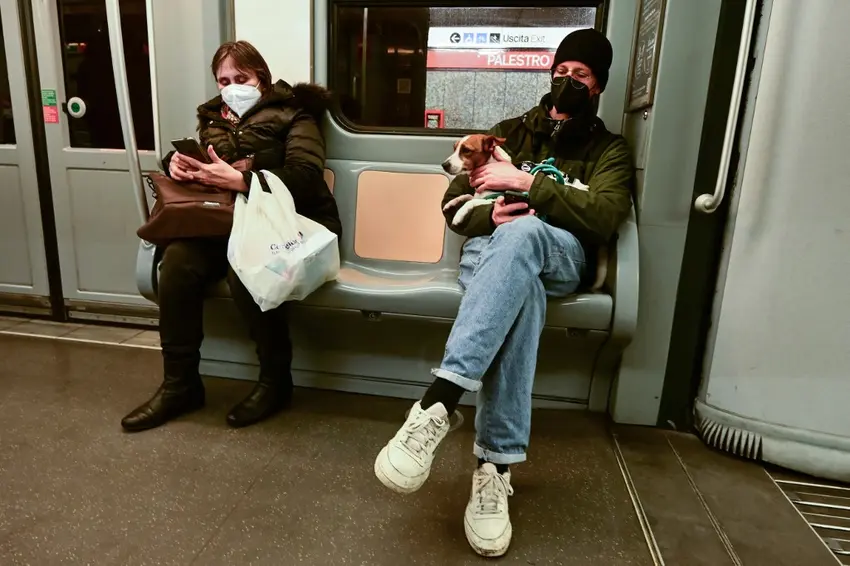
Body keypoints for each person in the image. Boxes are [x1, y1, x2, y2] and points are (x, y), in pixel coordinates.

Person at [373, 29, 634, 557]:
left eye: (581, 75)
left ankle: (439, 401)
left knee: (527, 233)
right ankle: (494, 468)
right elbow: (453, 205)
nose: (567, 81)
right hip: (492, 253)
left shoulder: (609, 149)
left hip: (561, 254)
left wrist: (526, 184)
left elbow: (606, 215)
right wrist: (490, 214)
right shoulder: (507, 131)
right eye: (561, 72)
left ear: (598, 86)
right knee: (521, 293)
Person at [121, 41, 341, 432]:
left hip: (287, 223)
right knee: (177, 263)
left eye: (242, 78)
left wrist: (243, 179)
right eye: (224, 81)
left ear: (262, 79)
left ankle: (276, 381)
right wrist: (178, 165)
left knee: (248, 270)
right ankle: (180, 385)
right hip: (226, 223)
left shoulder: (295, 113)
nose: (232, 87)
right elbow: (207, 169)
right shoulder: (212, 118)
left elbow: (307, 177)